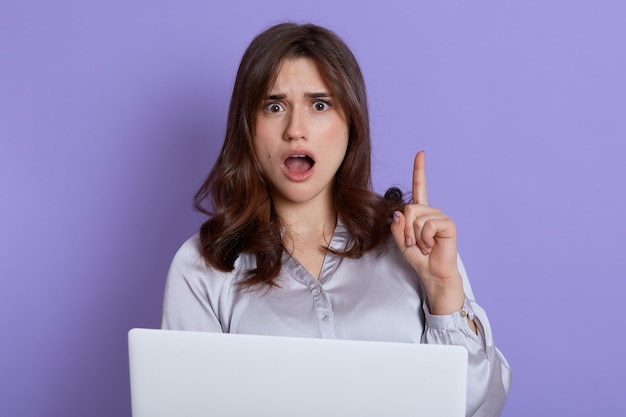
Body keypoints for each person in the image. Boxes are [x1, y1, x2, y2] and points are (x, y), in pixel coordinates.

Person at [161, 22, 511, 416]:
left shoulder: (415, 243)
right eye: (274, 106)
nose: (296, 130)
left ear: (351, 124)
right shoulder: (204, 266)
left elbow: (482, 406)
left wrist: (444, 292)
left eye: (319, 105)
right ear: (248, 127)